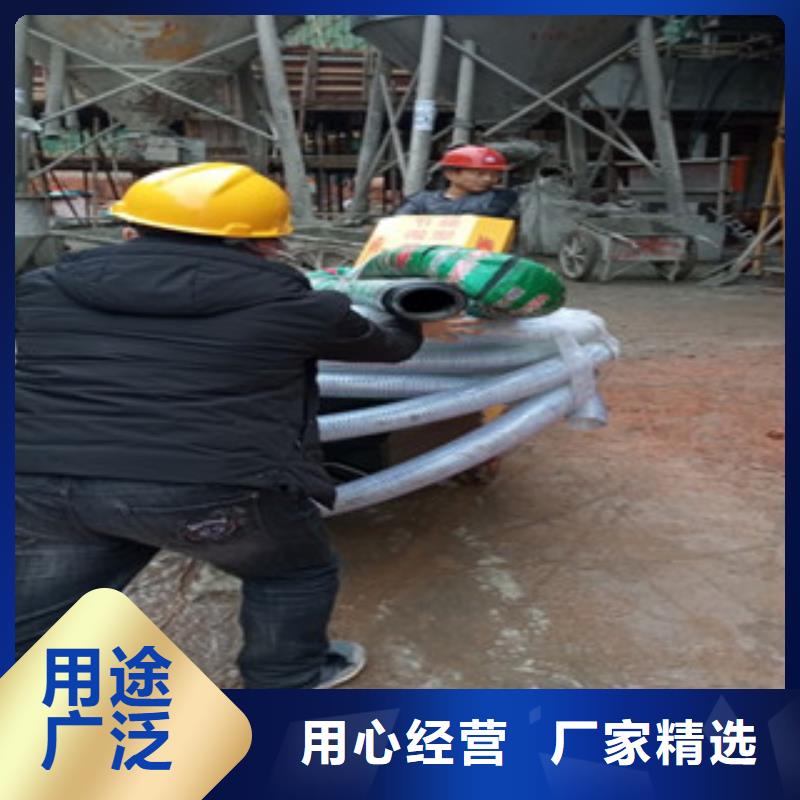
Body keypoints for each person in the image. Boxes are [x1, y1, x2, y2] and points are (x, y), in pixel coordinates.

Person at [15, 162, 423, 689]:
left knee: (40, 614)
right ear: (266, 244)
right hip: (210, 489)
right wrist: (415, 317)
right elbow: (391, 348)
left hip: (43, 481)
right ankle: (283, 686)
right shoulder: (297, 306)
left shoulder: (39, 288)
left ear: (131, 231)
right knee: (293, 572)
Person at [393, 144, 518, 220]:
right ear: (451, 174)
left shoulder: (502, 197)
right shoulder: (421, 200)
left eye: (495, 174)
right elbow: (400, 223)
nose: (488, 179)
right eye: (480, 174)